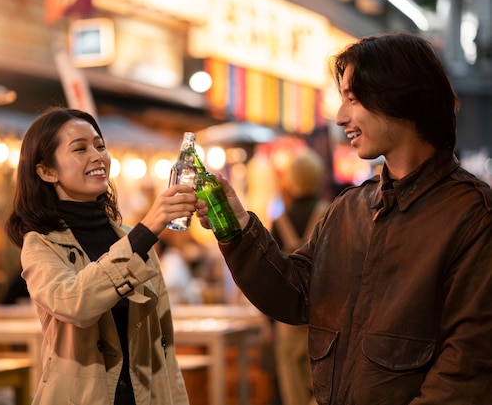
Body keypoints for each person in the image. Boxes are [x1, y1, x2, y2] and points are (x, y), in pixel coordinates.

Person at [195, 32, 492, 404]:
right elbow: (296, 293)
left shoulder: (473, 215)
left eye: (353, 99)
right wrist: (236, 226)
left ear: (400, 95)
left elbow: (465, 370)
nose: (340, 117)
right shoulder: (349, 208)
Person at [4, 107, 193, 405]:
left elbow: (164, 347)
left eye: (100, 145)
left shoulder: (132, 239)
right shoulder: (40, 245)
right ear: (47, 171)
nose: (97, 156)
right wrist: (146, 231)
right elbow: (74, 303)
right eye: (80, 148)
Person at [270, 148, 328, 405]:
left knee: (292, 393)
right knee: (325, 390)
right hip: (327, 315)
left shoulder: (278, 221)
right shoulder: (331, 213)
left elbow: (271, 274)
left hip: (287, 318)